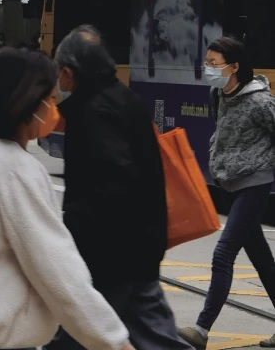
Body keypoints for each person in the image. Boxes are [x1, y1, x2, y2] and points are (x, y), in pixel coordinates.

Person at [0, 46, 135, 350]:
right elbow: (57, 269)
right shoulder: (16, 169)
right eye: (50, 100)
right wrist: (113, 341)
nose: (54, 108)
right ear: (26, 103)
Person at [46, 26, 190, 350]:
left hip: (107, 257)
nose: (57, 85)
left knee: (74, 337)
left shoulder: (93, 112)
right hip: (140, 250)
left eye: (59, 74)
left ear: (69, 73)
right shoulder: (124, 98)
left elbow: (112, 184)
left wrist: (77, 247)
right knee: (155, 336)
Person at [177, 37, 275, 350]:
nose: (208, 69)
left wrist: (263, 163)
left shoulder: (260, 102)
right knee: (261, 259)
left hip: (255, 183)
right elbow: (219, 129)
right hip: (231, 182)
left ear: (234, 67)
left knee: (223, 254)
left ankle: (201, 330)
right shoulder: (217, 93)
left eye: (214, 64)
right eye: (206, 62)